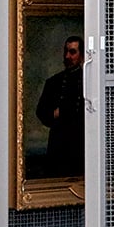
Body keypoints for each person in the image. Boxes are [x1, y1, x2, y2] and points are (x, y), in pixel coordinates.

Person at [34, 36, 85, 178]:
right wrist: (54, 114)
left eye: (72, 52)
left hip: (82, 144)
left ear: (81, 54)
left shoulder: (89, 81)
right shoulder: (54, 82)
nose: (68, 56)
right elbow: (41, 111)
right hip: (59, 144)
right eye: (66, 51)